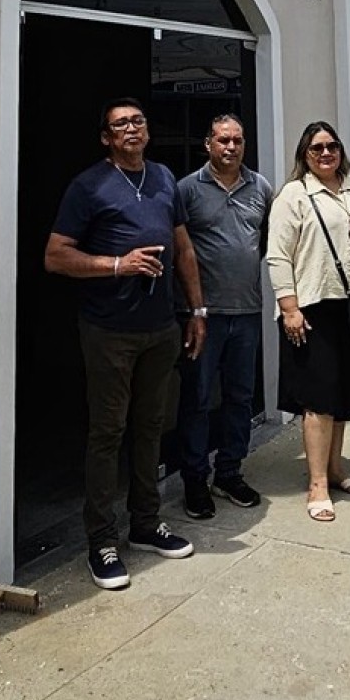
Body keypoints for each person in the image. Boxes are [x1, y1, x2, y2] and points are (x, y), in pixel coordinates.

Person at [45, 98, 206, 590]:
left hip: (160, 327)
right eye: (120, 124)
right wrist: (117, 265)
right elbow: (55, 257)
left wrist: (196, 310)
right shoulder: (89, 186)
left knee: (150, 426)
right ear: (106, 138)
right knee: (108, 431)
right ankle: (102, 541)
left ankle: (144, 523)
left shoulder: (161, 178)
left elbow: (182, 247)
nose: (131, 128)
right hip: (109, 330)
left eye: (137, 121)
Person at [266, 121, 350, 522]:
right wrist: (289, 308)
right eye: (317, 148)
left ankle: (336, 469)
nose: (326, 153)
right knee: (319, 400)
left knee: (345, 396)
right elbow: (278, 255)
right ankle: (316, 484)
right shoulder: (293, 196)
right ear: (305, 155)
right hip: (312, 306)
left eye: (331, 146)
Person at [175, 115, 274, 520]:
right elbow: (179, 251)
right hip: (203, 317)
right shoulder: (187, 190)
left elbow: (266, 242)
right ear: (208, 144)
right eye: (222, 140)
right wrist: (192, 308)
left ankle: (229, 472)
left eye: (237, 140)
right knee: (196, 399)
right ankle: (195, 480)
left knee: (240, 397)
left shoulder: (261, 188)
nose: (230, 147)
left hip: (247, 312)